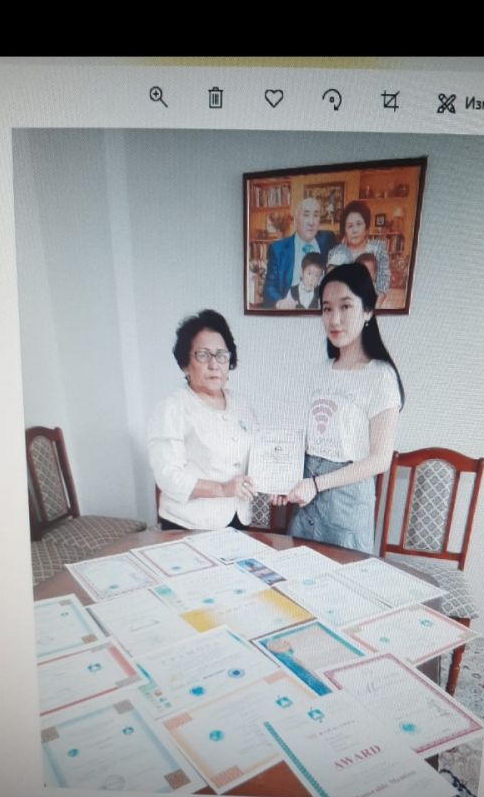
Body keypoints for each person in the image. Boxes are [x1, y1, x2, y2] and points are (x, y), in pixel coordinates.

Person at [271, 262, 404, 554]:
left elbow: (380, 460)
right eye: (327, 309)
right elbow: (308, 440)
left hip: (346, 503)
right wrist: (281, 480)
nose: (335, 319)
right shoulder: (320, 371)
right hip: (308, 497)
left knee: (342, 578)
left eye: (345, 306)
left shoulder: (380, 376)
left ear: (367, 311)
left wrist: (317, 484)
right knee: (299, 572)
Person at [148, 309, 257, 531]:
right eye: (203, 355)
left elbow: (257, 456)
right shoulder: (172, 408)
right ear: (185, 363)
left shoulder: (241, 405)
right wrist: (221, 489)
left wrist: (277, 483)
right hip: (188, 524)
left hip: (238, 518)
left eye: (221, 355)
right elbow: (168, 476)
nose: (214, 364)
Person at [264, 198, 336, 307]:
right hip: (291, 309)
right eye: (306, 215)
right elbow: (269, 287)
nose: (311, 222)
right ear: (296, 221)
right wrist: (281, 303)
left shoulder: (328, 239)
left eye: (316, 215)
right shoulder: (278, 249)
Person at [335, 199, 391, 296]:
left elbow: (383, 286)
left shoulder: (378, 248)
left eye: (359, 224)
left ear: (366, 227)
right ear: (344, 230)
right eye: (350, 226)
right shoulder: (337, 253)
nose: (354, 230)